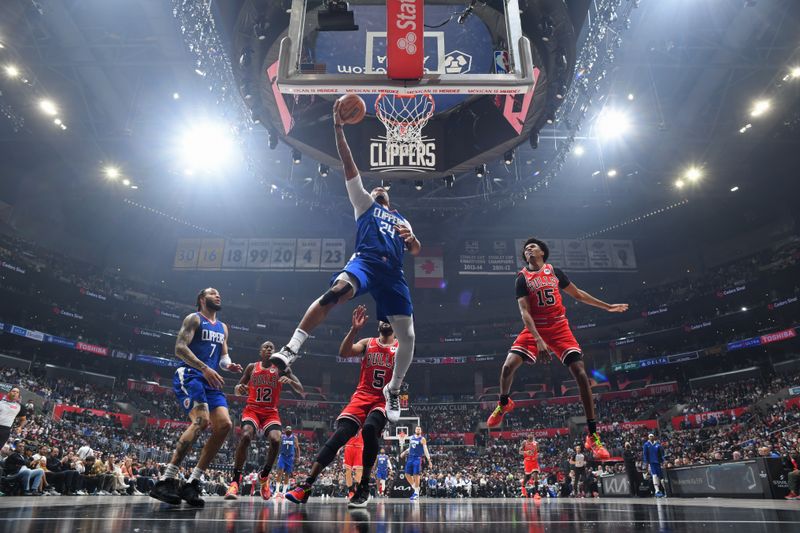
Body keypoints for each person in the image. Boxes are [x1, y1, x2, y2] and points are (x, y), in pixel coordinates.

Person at [269, 100, 422, 424]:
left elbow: (417, 251)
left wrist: (412, 240)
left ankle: (393, 387)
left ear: (390, 198)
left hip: (393, 274)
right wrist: (338, 128)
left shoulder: (401, 219)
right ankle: (292, 348)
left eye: (384, 188)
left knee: (408, 337)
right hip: (365, 262)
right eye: (376, 184)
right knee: (335, 292)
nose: (379, 187)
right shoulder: (364, 202)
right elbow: (348, 164)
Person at [486, 238, 628, 459]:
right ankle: (504, 403)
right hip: (535, 328)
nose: (528, 250)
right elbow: (524, 312)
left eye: (532, 247)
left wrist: (607, 306)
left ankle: (592, 436)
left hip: (559, 327)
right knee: (507, 368)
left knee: (581, 375)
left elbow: (578, 294)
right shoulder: (522, 278)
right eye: (525, 250)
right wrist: (538, 338)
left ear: (542, 251)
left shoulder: (555, 272)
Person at [286, 305, 397, 508]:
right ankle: (307, 485)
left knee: (371, 428)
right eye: (382, 318)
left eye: (389, 318)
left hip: (382, 399)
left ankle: (364, 487)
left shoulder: (400, 347)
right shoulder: (368, 342)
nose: (384, 320)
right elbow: (344, 352)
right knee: (340, 435)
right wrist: (354, 330)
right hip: (361, 396)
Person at [149, 288, 243, 507]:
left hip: (211, 380)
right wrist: (203, 368)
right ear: (202, 299)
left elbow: (222, 357)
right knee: (201, 421)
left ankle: (192, 483)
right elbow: (179, 348)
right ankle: (166, 480)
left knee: (224, 425)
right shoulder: (194, 319)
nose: (218, 295)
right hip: (191, 375)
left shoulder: (223, 328)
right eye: (213, 293)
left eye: (220, 293)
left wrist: (229, 365)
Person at [225, 341, 303, 501]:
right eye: (265, 347)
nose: (268, 349)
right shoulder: (251, 367)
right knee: (246, 436)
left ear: (275, 352)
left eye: (271, 348)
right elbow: (237, 389)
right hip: (252, 409)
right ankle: (235, 482)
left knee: (275, 440)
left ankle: (264, 476)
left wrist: (291, 382)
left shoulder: (282, 368)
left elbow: (301, 390)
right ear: (260, 351)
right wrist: (239, 389)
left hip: (270, 412)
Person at [400, 426, 432, 501]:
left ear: (421, 431)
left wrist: (429, 460)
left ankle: (416, 493)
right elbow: (410, 447)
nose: (418, 430)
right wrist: (404, 452)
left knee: (416, 475)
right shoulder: (411, 438)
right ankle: (416, 488)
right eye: (417, 429)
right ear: (415, 430)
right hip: (410, 458)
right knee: (407, 474)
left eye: (419, 429)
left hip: (417, 458)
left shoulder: (422, 439)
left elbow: (425, 450)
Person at [274, 426, 300, 497]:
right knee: (280, 473)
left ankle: (284, 492)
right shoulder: (282, 437)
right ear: (285, 430)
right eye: (287, 430)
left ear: (291, 431)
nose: (288, 431)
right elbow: (277, 445)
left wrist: (298, 457)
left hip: (290, 457)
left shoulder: (294, 438)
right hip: (282, 456)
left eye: (289, 430)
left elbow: (297, 448)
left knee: (287, 475)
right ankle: (277, 491)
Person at [642, 433, 665, 497]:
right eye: (650, 436)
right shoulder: (646, 445)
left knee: (661, 477)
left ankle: (665, 490)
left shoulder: (657, 444)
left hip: (658, 462)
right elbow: (645, 454)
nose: (651, 437)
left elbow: (662, 453)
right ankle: (657, 491)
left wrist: (663, 460)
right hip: (651, 463)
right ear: (648, 437)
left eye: (652, 436)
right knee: (654, 476)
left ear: (654, 437)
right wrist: (646, 462)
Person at [343, 430, 364, 499]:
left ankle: (356, 488)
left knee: (359, 470)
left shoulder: (366, 422)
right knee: (348, 470)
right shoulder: (348, 421)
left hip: (359, 447)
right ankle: (351, 491)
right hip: (349, 446)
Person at [520, 434, 540, 499]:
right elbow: (520, 452)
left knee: (535, 474)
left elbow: (538, 452)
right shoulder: (524, 443)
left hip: (534, 461)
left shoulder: (536, 443)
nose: (531, 438)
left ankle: (536, 493)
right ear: (527, 438)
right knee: (527, 477)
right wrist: (526, 452)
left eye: (532, 437)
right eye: (529, 437)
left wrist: (537, 455)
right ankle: (523, 489)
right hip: (527, 461)